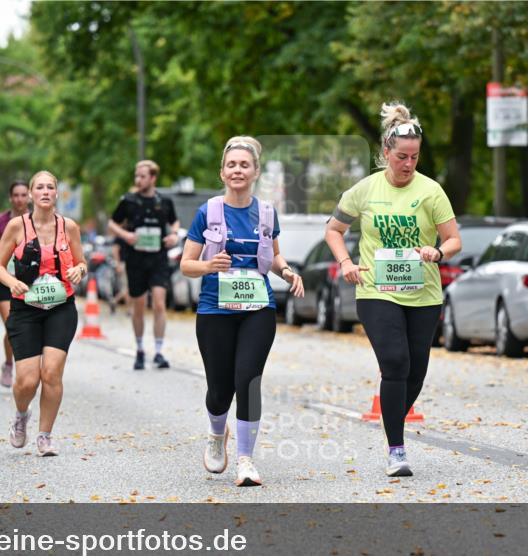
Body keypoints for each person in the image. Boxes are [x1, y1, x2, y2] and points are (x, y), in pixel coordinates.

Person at [325, 101, 461, 477]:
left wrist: (437, 251)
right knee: (396, 363)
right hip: (376, 290)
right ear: (386, 152)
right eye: (401, 156)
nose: (408, 164)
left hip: (423, 294)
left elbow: (453, 240)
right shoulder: (364, 190)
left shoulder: (431, 191)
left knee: (415, 372)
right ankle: (396, 449)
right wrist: (347, 263)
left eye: (414, 157)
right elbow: (334, 230)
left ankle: (391, 419)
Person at [180, 136, 305, 487]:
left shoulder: (266, 213)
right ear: (222, 172)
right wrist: (208, 266)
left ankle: (246, 460)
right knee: (220, 389)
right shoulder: (208, 211)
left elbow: (275, 255)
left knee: (247, 381)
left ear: (255, 172)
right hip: (214, 309)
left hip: (257, 308)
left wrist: (287, 271)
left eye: (244, 165)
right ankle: (217, 434)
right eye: (231, 165)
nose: (238, 170)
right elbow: (186, 265)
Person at [0, 170, 87, 457]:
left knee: (51, 373)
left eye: (50, 187)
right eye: (40, 188)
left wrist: (78, 271)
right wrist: (12, 282)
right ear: (32, 194)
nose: (45, 192)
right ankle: (22, 415)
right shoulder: (16, 226)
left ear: (57, 194)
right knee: (27, 380)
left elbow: (82, 263)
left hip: (61, 307)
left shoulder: (69, 227)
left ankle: (45, 436)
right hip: (25, 309)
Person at [108, 160, 181, 370]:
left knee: (159, 303)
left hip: (158, 259)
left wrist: (174, 235)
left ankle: (158, 351)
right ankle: (140, 349)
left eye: (142, 176)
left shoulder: (165, 201)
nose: (138, 180)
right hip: (135, 260)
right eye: (136, 176)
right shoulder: (129, 201)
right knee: (138, 305)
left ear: (152, 178)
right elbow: (112, 223)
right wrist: (126, 235)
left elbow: (174, 222)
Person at [0, 181, 30, 387]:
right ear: (10, 198)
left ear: (29, 197)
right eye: (16, 195)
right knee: (12, 325)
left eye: (23, 195)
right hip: (6, 279)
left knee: (27, 326)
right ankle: (9, 365)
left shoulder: (36, 220)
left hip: (30, 280)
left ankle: (25, 367)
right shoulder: (0, 221)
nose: (20, 199)